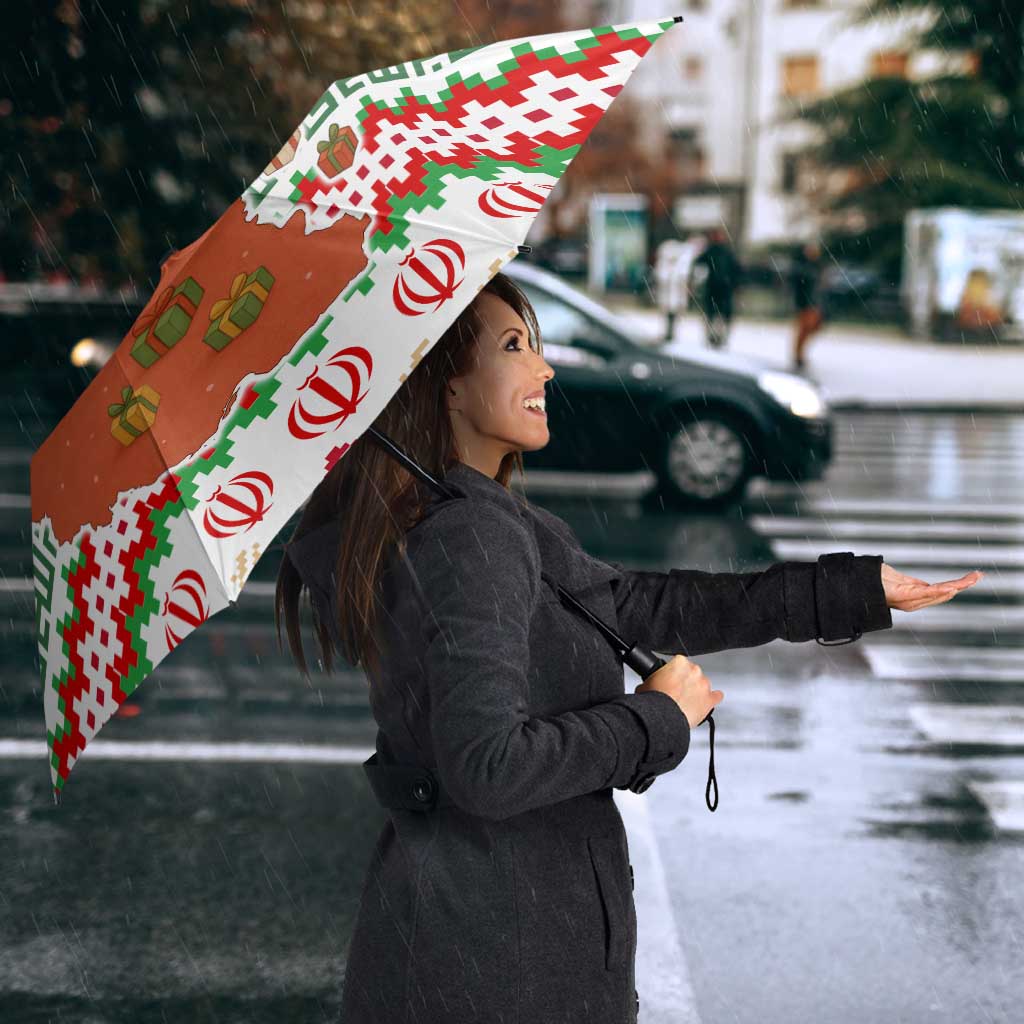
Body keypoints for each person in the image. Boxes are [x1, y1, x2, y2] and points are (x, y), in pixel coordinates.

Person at [276, 271, 972, 1024]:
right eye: (515, 346)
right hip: (497, 963)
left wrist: (851, 591)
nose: (544, 368)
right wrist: (656, 719)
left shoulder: (474, 518)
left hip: (477, 944)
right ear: (445, 385)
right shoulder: (468, 537)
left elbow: (640, 605)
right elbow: (488, 768)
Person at [692, 226, 742, 349]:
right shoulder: (712, 251)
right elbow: (698, 264)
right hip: (715, 288)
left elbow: (736, 270)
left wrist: (735, 284)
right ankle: (713, 337)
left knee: (720, 315)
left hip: (723, 288)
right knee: (713, 314)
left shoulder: (725, 252)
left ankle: (719, 337)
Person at [790, 239, 826, 371]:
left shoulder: (817, 266)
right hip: (805, 303)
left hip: (814, 303)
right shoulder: (802, 267)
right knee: (804, 329)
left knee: (812, 328)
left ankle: (800, 354)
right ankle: (798, 355)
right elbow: (799, 286)